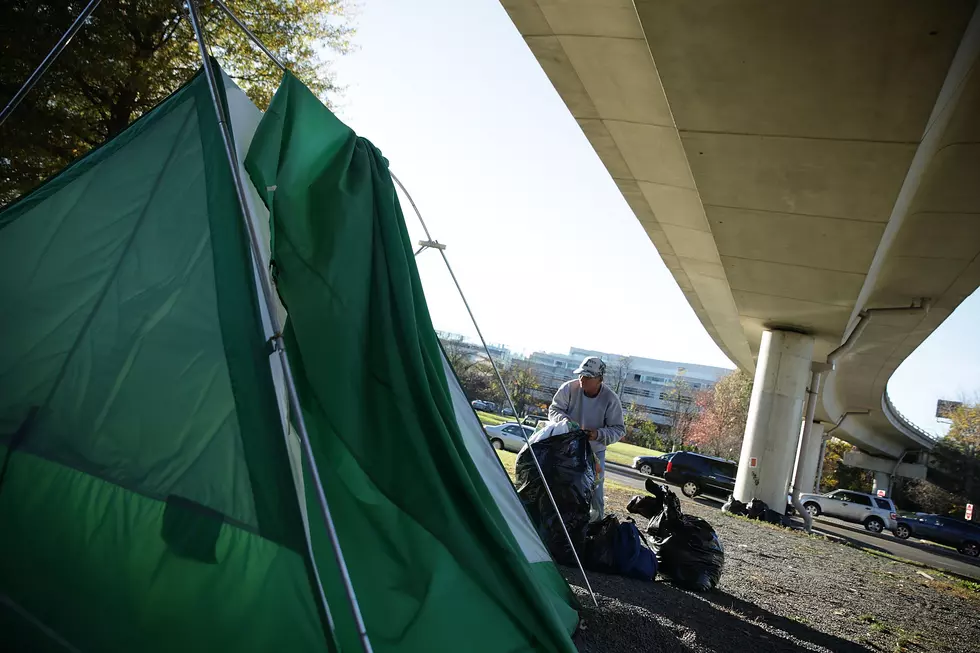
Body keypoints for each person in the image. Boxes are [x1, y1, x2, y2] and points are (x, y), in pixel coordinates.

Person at [548, 356, 625, 521]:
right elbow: (554, 410)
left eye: (588, 377)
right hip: (566, 448)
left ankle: (597, 528)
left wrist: (597, 434)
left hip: (594, 453)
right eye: (581, 375)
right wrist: (565, 422)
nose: (582, 379)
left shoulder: (610, 399)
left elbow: (618, 430)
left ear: (600, 379)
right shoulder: (569, 389)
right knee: (560, 487)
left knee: (595, 494)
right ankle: (558, 522)